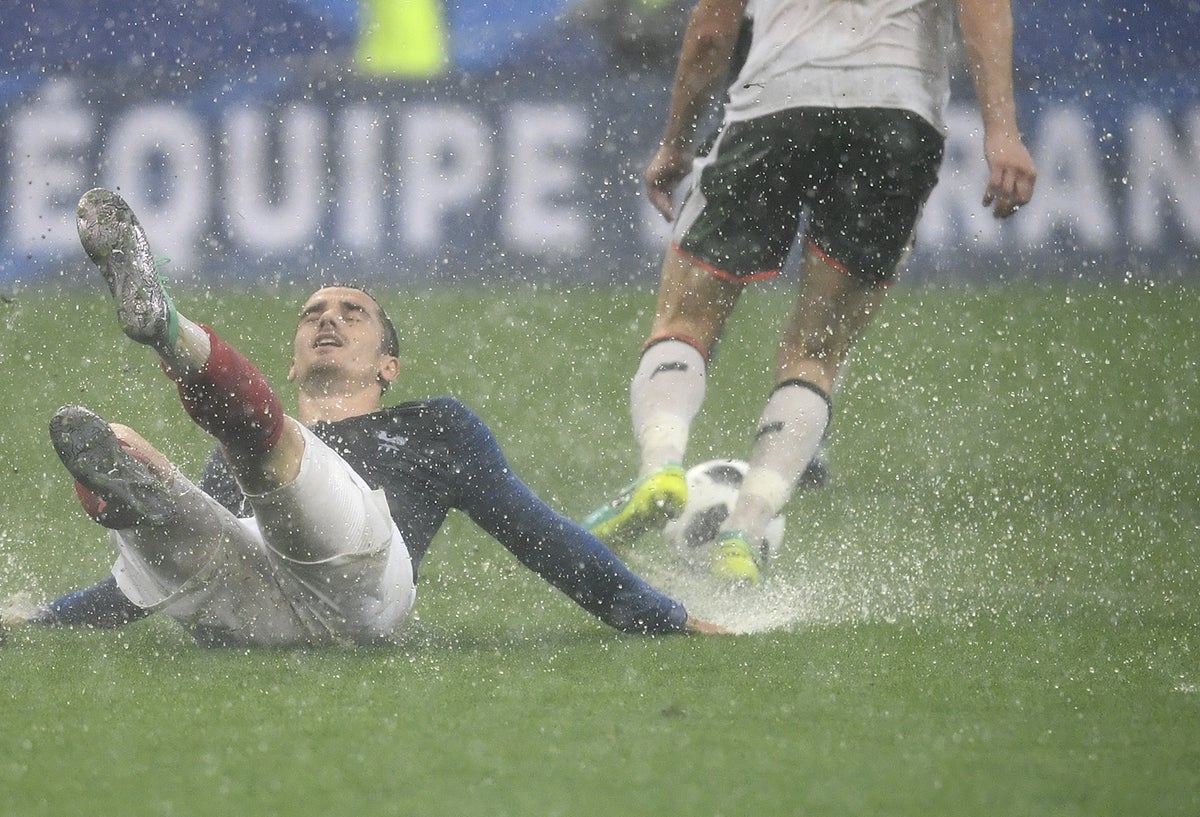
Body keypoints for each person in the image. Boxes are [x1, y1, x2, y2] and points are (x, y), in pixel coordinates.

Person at [13, 188, 723, 647]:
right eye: (313, 314)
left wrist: (660, 614)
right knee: (126, 449)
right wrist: (36, 621)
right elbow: (166, 568)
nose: (329, 320)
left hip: (359, 594)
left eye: (353, 313)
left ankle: (170, 331)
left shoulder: (434, 428)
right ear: (291, 364)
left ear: (389, 366)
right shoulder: (236, 452)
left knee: (267, 454)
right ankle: (135, 452)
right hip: (249, 613)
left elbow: (539, 534)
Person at [582, 0, 1037, 584]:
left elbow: (712, 29)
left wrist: (676, 143)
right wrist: (1002, 131)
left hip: (777, 103)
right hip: (898, 116)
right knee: (817, 353)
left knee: (685, 320)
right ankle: (744, 532)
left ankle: (659, 467)